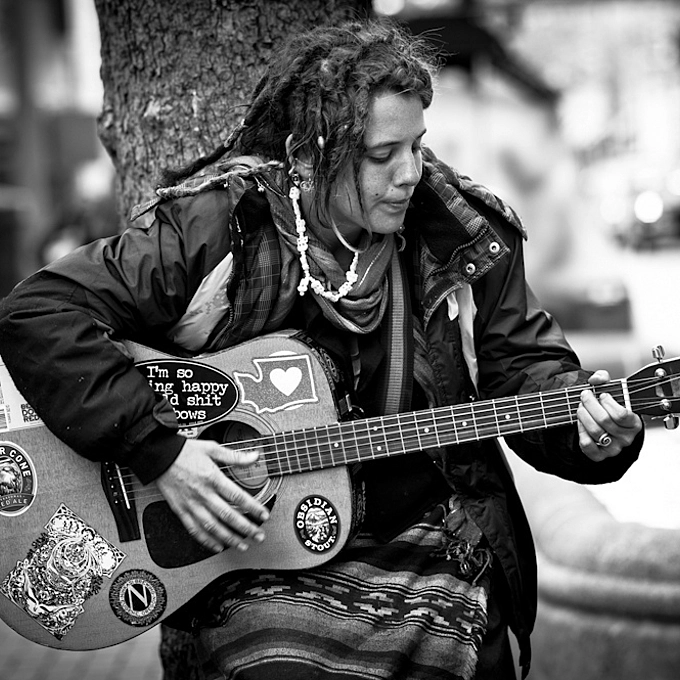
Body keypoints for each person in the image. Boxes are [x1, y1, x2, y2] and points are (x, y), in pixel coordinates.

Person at [0, 18, 643, 680]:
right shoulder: (225, 226)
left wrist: (588, 431)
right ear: (307, 156)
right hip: (263, 555)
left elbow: (527, 371)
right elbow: (39, 313)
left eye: (417, 146)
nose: (410, 174)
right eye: (382, 155)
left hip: (425, 537)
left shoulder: (462, 234)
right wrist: (160, 452)